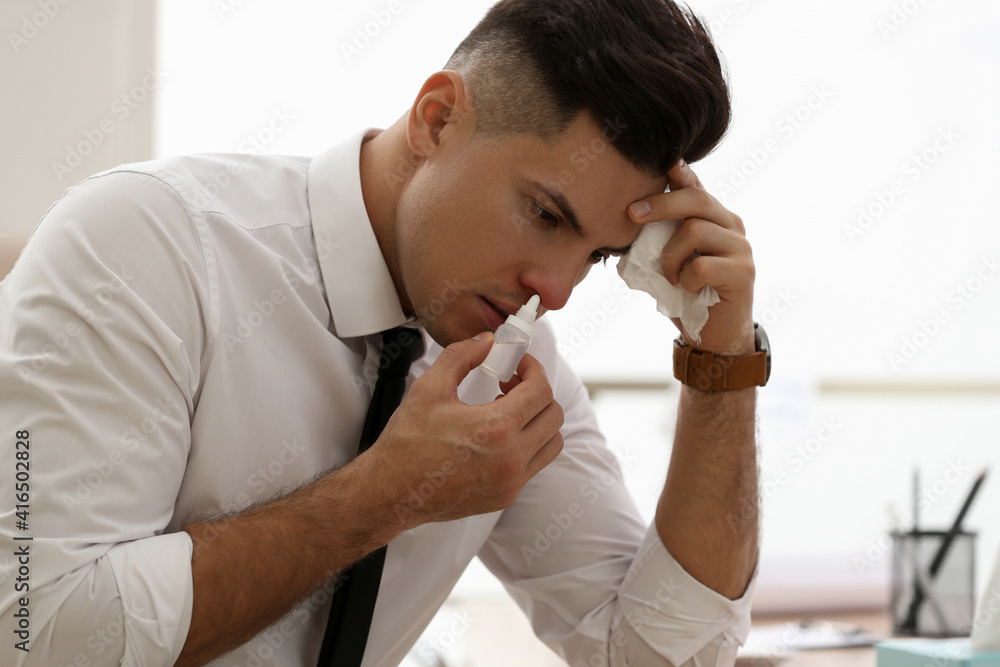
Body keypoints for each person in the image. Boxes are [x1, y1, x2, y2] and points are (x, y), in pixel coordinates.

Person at [0, 0, 762, 665]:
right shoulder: (143, 245)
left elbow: (656, 655)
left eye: (596, 254)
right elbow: (33, 634)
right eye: (545, 214)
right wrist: (386, 495)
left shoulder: (511, 369)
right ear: (437, 118)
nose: (557, 292)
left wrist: (719, 363)